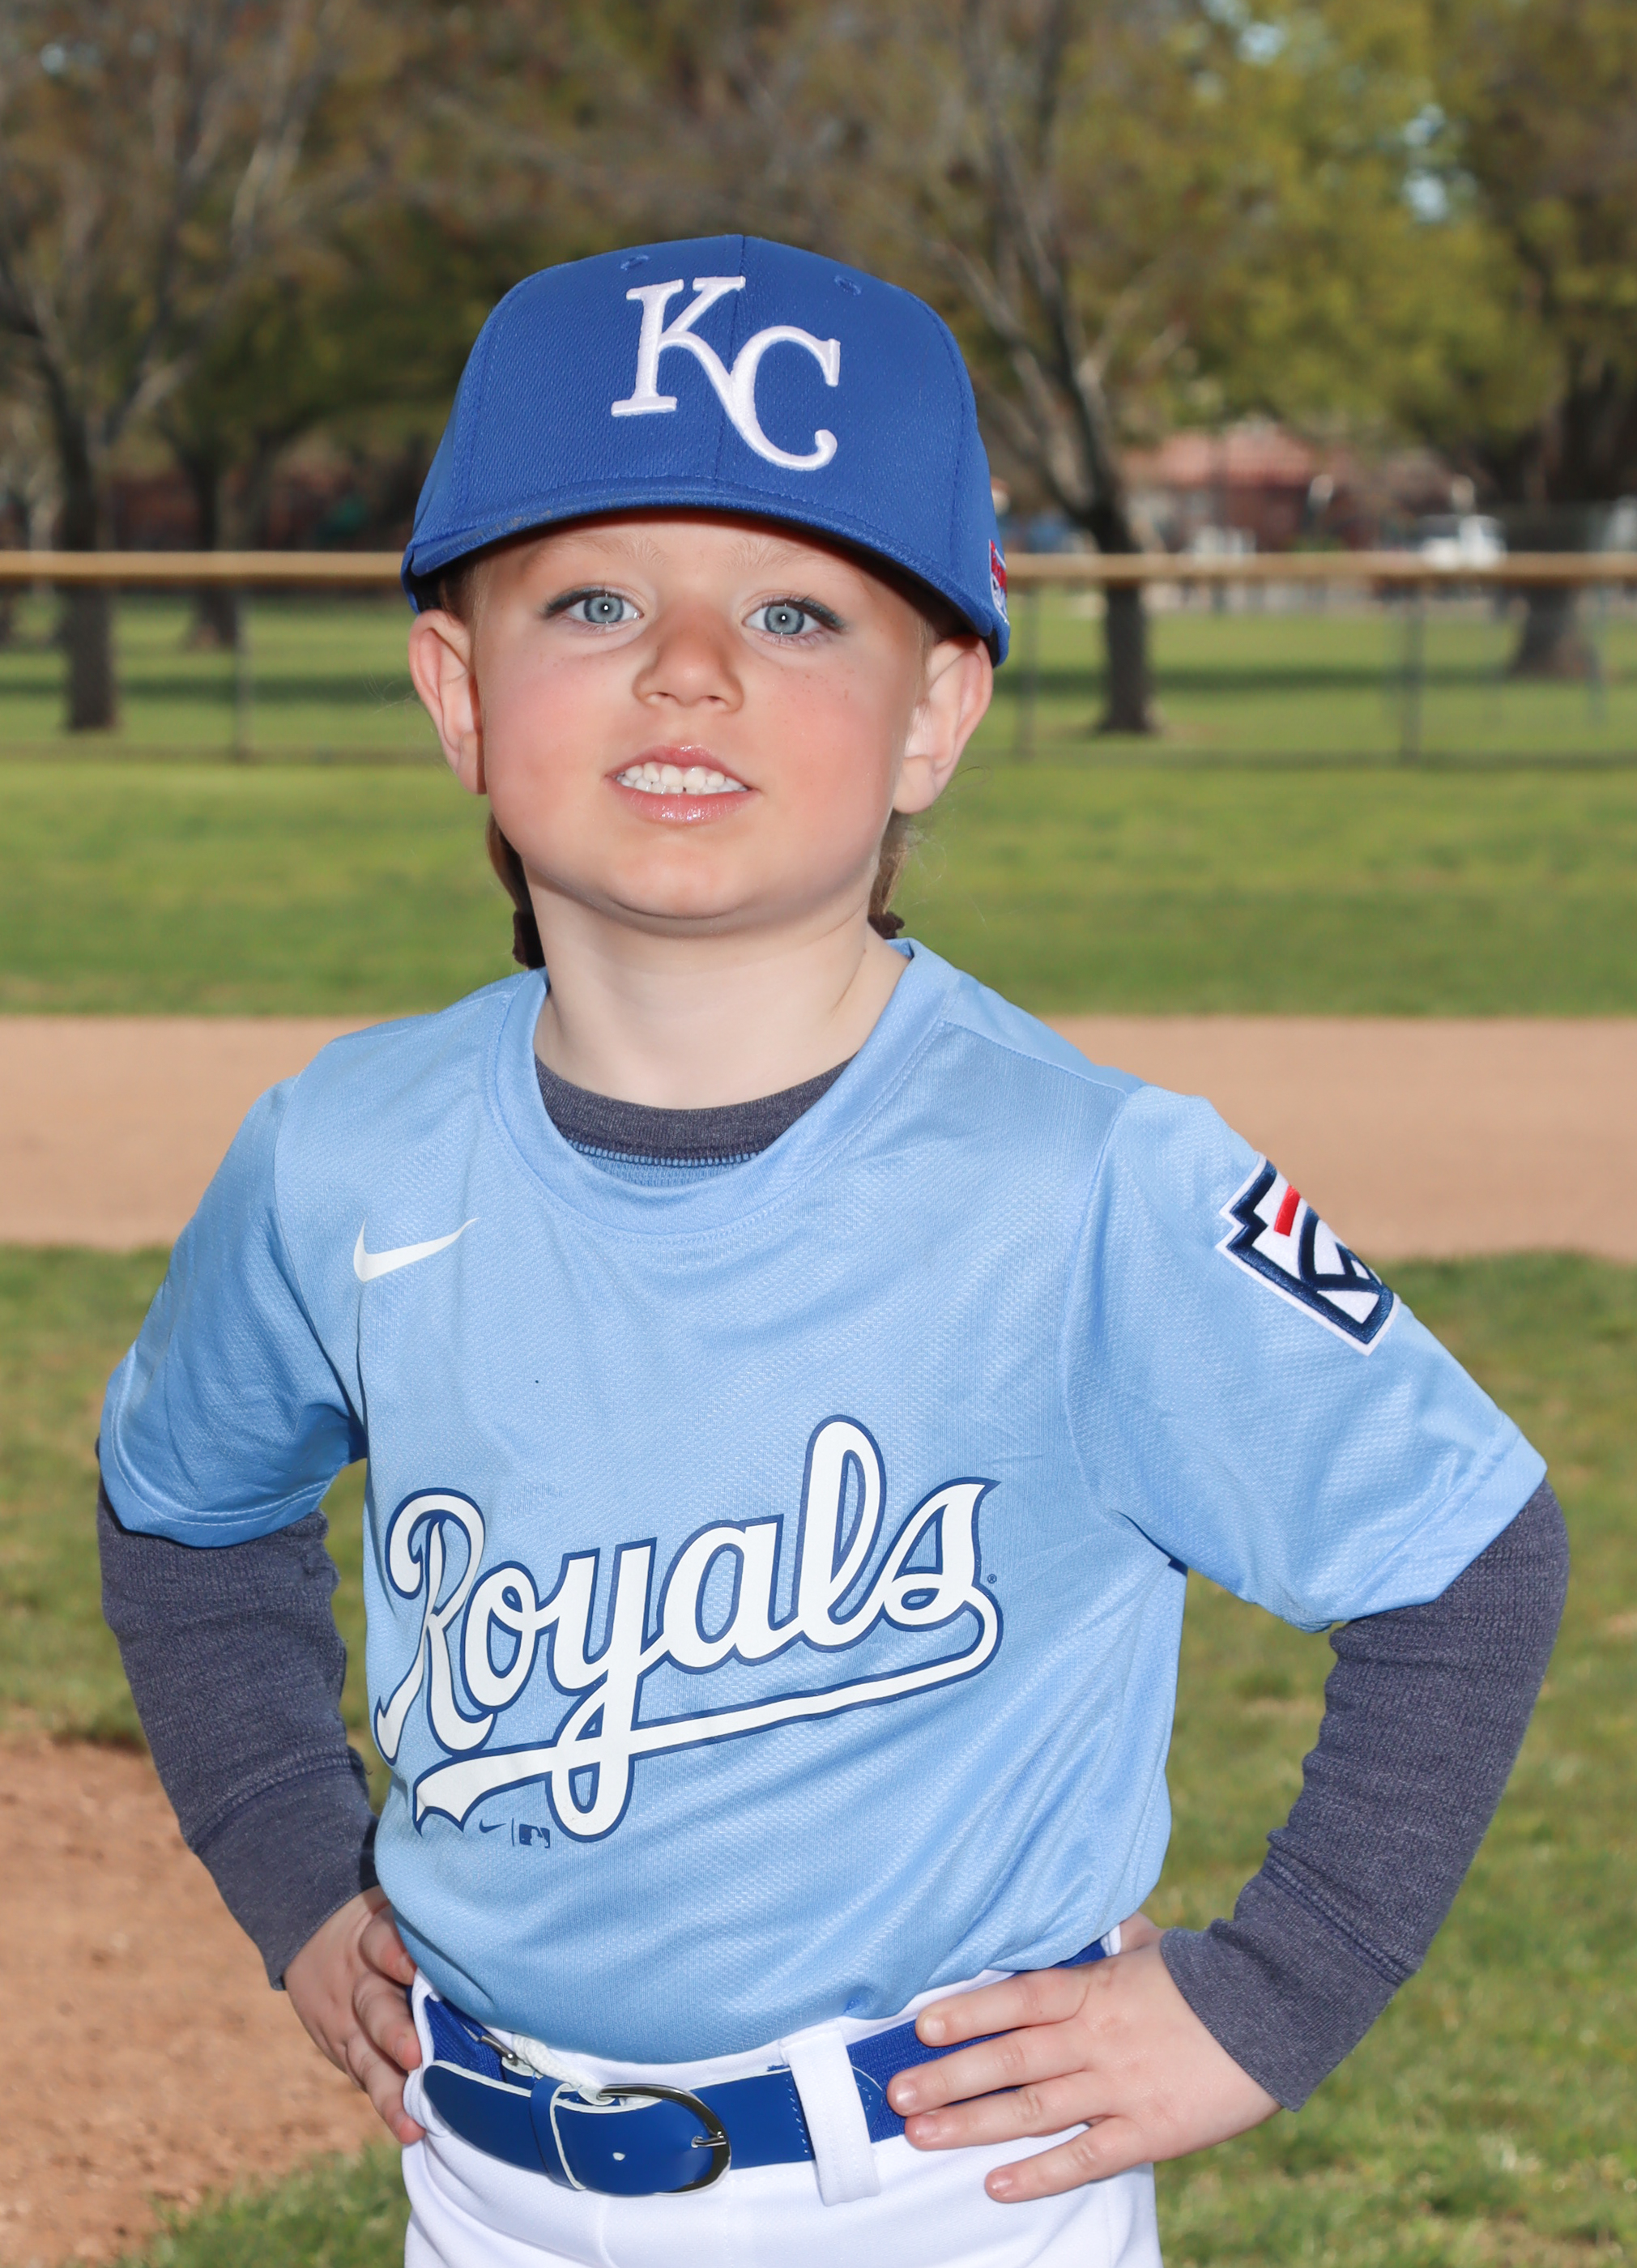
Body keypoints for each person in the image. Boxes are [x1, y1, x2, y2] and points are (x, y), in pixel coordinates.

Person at [98, 237, 1567, 2268]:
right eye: (594, 600)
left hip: (946, 2189)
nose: (689, 666)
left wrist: (1274, 1990)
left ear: (935, 711)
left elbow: (1464, 1554)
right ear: (457, 689)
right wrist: (290, 1863)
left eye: (795, 609)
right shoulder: (339, 1154)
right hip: (485, 2186)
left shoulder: (1087, 1178)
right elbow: (182, 1507)